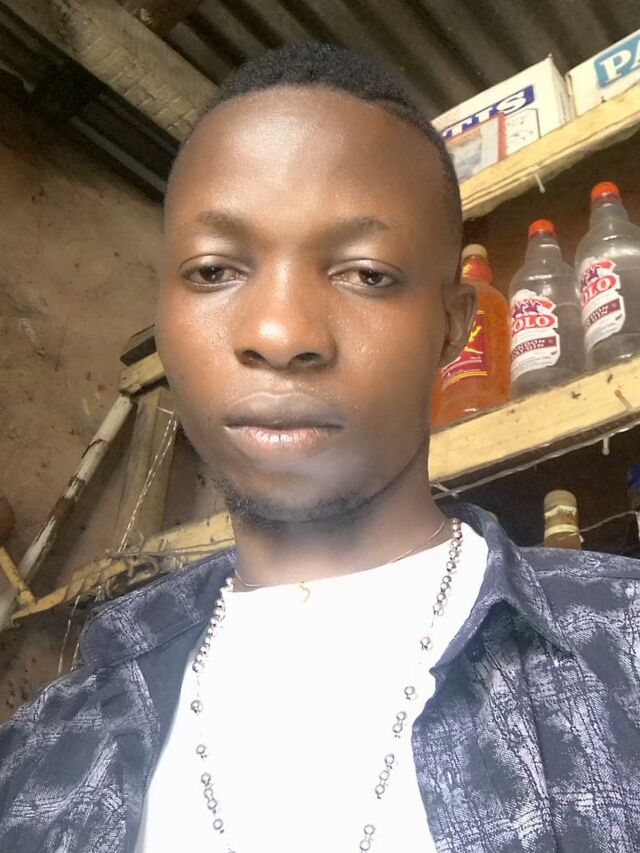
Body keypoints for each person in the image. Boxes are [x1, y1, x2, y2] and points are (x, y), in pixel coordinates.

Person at [1, 42, 639, 853]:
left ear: (453, 328)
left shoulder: (621, 648)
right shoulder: (43, 749)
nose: (279, 332)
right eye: (214, 271)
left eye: (366, 273)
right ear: (161, 315)